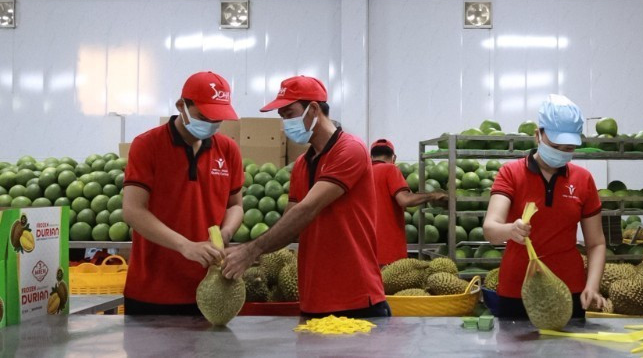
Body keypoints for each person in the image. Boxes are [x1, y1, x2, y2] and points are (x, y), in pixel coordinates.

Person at [222, 76, 388, 318]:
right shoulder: (302, 163)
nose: (285, 124)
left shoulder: (350, 149)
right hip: (314, 298)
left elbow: (308, 209)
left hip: (355, 297)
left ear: (313, 109)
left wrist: (251, 250)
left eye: (289, 114)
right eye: (282, 117)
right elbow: (291, 220)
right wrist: (249, 253)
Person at [122, 71, 244, 315]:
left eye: (217, 118)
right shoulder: (147, 145)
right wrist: (185, 246)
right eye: (204, 116)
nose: (211, 123)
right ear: (181, 106)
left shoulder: (228, 149)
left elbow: (235, 205)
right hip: (152, 291)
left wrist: (227, 231)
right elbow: (133, 210)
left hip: (211, 291)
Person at [483, 94, 606, 319]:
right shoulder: (511, 173)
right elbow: (491, 229)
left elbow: (596, 243)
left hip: (569, 289)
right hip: (518, 289)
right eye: (555, 145)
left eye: (568, 147)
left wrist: (592, 286)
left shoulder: (583, 180)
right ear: (537, 135)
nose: (561, 152)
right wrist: (511, 230)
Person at [369, 138, 447, 266]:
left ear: (371, 156)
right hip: (388, 249)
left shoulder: (363, 172)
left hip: (367, 249)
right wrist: (433, 195)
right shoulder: (390, 169)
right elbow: (404, 200)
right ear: (394, 157)